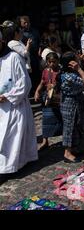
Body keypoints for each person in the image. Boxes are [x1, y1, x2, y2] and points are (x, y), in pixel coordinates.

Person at [0, 28, 38, 175]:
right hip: (1, 108)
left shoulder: (14, 58)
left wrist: (7, 96)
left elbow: (25, 83)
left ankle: (14, 166)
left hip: (15, 105)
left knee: (13, 137)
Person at [58, 52, 84, 163]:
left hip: (77, 101)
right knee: (70, 126)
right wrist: (79, 69)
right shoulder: (69, 76)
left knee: (78, 124)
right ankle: (67, 152)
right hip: (70, 103)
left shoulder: (67, 72)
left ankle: (76, 147)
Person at [34, 52, 63, 151]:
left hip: (60, 99)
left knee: (62, 120)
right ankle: (45, 141)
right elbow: (42, 83)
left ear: (58, 61)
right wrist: (37, 92)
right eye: (49, 62)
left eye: (54, 62)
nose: (51, 64)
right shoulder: (46, 71)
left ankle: (66, 139)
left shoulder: (62, 72)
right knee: (46, 120)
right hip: (48, 99)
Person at [17, 15, 40, 89]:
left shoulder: (35, 31)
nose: (26, 24)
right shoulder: (19, 34)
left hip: (36, 56)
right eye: (24, 23)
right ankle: (30, 90)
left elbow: (40, 42)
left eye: (28, 22)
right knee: (29, 74)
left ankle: (37, 90)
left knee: (37, 72)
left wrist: (39, 50)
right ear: (20, 23)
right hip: (26, 57)